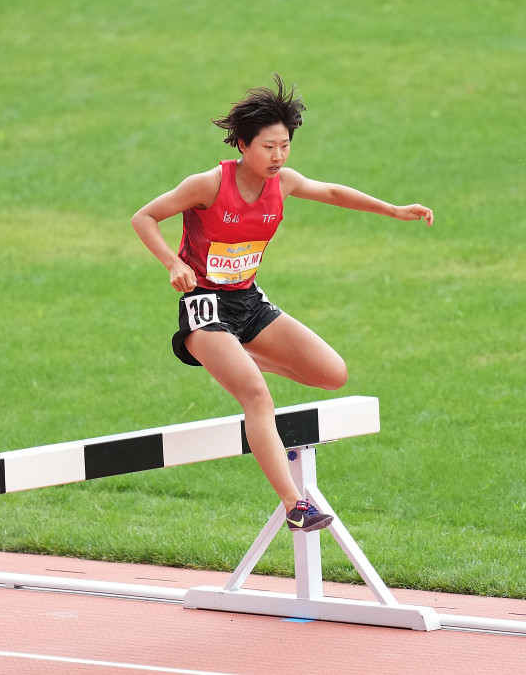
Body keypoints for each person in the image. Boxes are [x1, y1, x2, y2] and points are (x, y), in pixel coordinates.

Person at [131, 74, 433, 532]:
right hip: (205, 305)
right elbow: (144, 217)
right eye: (268, 147)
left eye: (285, 146)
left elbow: (331, 192)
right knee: (256, 396)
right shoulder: (207, 185)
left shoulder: (284, 182)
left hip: (249, 300)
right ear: (242, 145)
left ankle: (236, 357)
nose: (278, 157)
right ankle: (296, 505)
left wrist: (392, 209)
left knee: (332, 374)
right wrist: (173, 263)